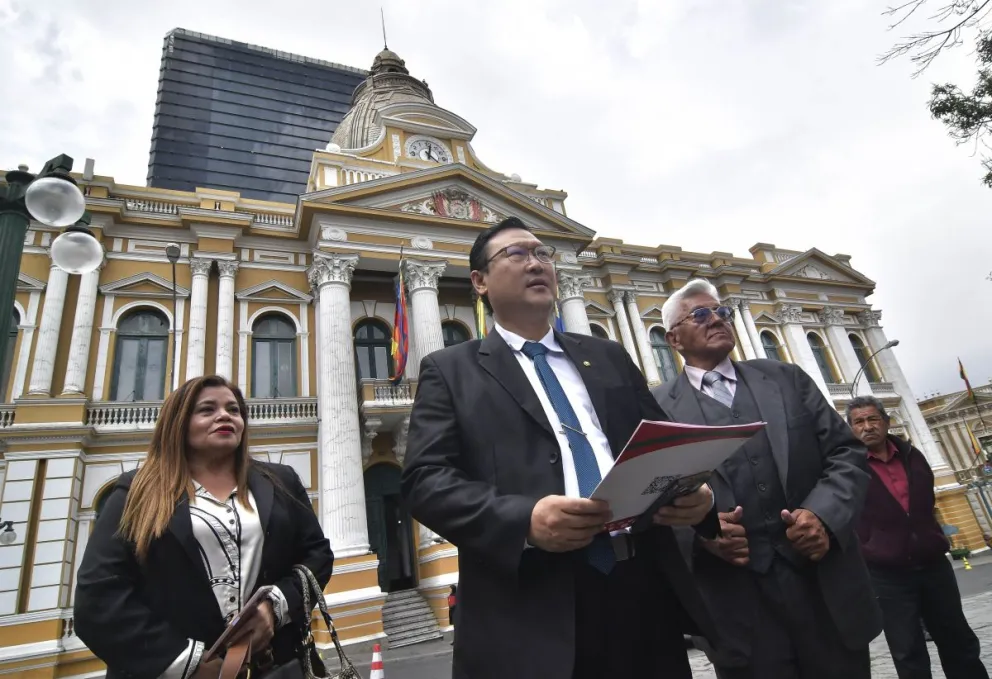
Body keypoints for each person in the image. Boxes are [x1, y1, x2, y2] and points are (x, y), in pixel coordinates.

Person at [400, 218, 721, 679]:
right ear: (480, 282)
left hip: (642, 594)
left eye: (542, 253)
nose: (535, 262)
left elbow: (667, 443)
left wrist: (699, 496)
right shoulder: (451, 371)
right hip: (531, 609)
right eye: (516, 254)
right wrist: (523, 520)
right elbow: (426, 482)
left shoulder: (607, 355)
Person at [651, 278, 882, 679]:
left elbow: (847, 453)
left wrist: (823, 516)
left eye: (722, 312)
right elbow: (648, 501)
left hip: (821, 588)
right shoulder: (654, 409)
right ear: (674, 339)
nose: (717, 319)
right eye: (701, 314)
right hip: (737, 609)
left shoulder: (786, 379)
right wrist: (704, 536)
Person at [74, 375, 334, 679]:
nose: (224, 415)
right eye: (207, 409)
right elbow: (99, 598)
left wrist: (275, 608)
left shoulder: (281, 481)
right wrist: (185, 663)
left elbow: (317, 555)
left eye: (234, 410)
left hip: (274, 667)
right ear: (179, 423)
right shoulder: (136, 491)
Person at [847, 395, 988, 679]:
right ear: (850, 429)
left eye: (873, 419)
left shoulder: (914, 456)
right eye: (858, 422)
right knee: (907, 650)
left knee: (958, 640)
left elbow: (925, 504)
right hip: (887, 575)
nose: (867, 427)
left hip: (933, 565)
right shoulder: (847, 468)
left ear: (886, 423)